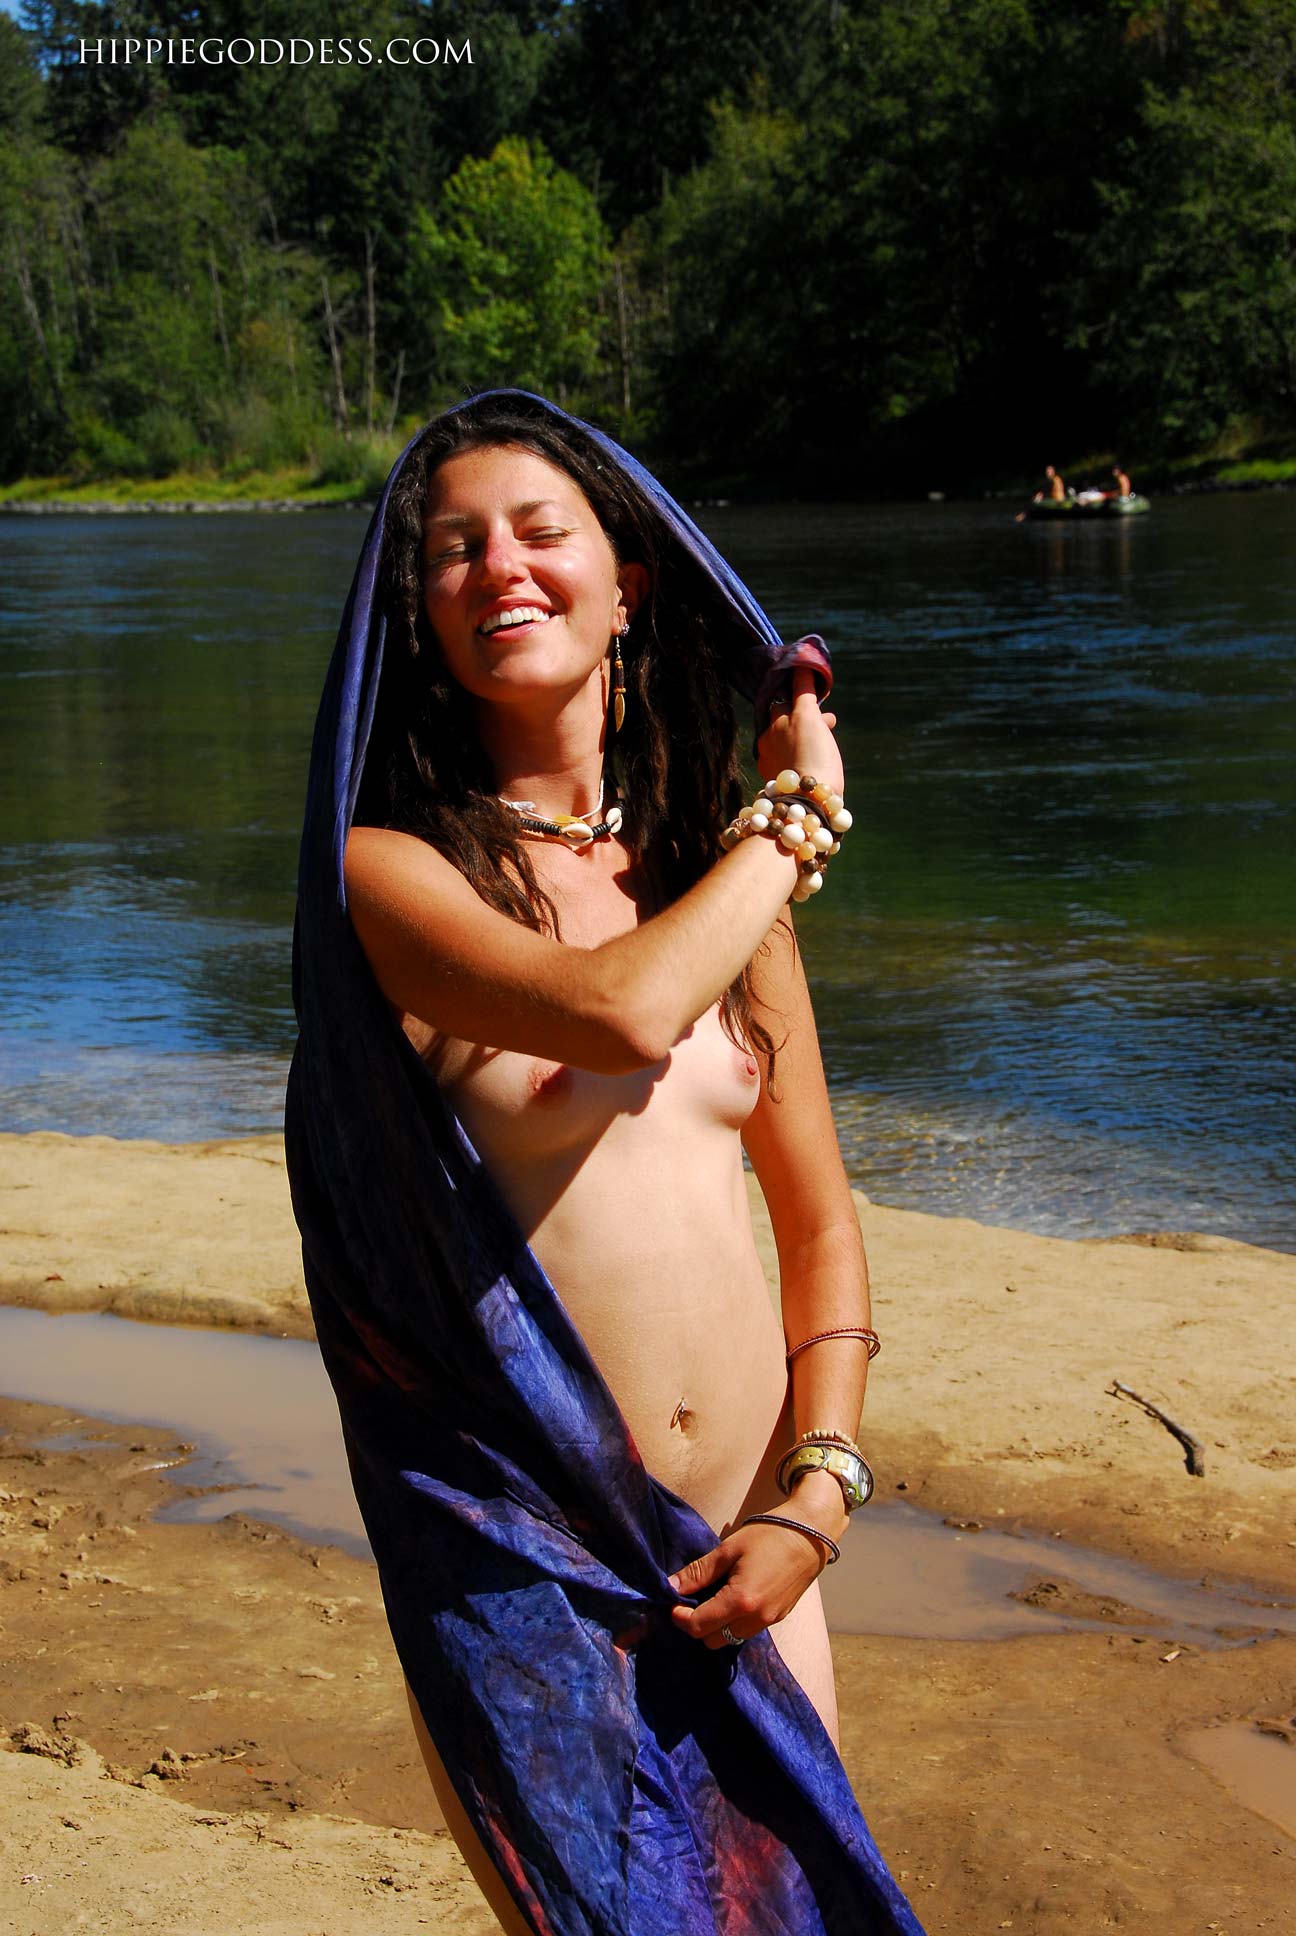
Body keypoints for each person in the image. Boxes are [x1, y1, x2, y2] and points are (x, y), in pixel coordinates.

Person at [285, 388, 925, 1935]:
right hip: (524, 1569)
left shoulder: (720, 888)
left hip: (756, 1557)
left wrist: (819, 1495)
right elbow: (623, 1012)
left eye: (538, 529)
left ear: (626, 583)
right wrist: (794, 820)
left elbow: (820, 1227)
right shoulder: (394, 879)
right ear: (422, 614)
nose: (498, 566)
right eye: (454, 548)